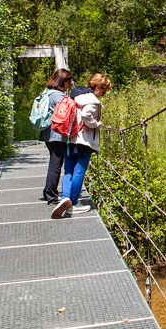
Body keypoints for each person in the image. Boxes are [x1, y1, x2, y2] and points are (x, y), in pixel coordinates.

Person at [52, 73, 111, 219]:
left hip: (69, 139)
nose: (102, 95)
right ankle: (73, 204)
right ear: (98, 87)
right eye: (103, 91)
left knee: (68, 171)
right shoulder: (91, 100)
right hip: (83, 141)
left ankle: (65, 198)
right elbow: (85, 115)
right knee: (79, 172)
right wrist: (96, 124)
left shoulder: (75, 96)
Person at [39, 68, 74, 205]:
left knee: (54, 162)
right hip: (56, 134)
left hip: (48, 133)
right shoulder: (58, 96)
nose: (69, 85)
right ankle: (51, 196)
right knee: (56, 164)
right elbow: (70, 109)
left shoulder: (47, 92)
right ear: (63, 81)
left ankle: (48, 190)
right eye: (69, 82)